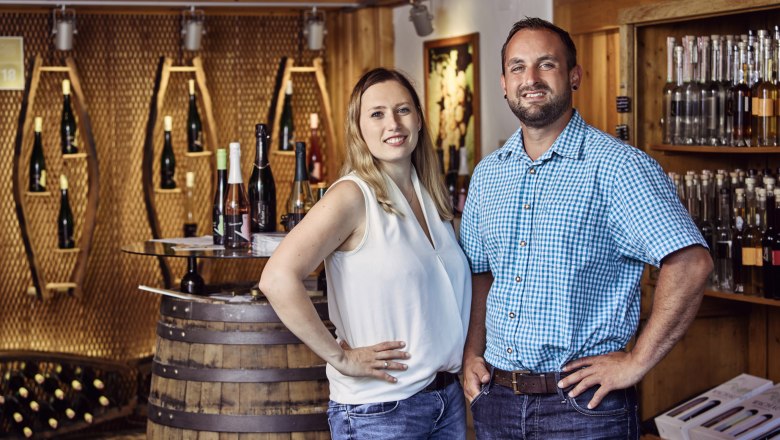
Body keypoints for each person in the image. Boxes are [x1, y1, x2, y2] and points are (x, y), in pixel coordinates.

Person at [459, 17, 713, 439]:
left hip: (583, 408)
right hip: (497, 400)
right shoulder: (489, 174)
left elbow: (691, 263)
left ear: (574, 75)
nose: (531, 78)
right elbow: (482, 273)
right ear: (504, 83)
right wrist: (471, 354)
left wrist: (636, 361)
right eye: (518, 67)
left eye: (546, 64)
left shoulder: (618, 167)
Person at [259, 68, 471, 439]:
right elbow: (277, 278)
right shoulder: (352, 196)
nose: (394, 124)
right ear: (358, 129)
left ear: (419, 119)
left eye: (403, 110)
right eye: (377, 114)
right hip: (381, 410)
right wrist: (340, 357)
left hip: (445, 401)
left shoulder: (430, 197)